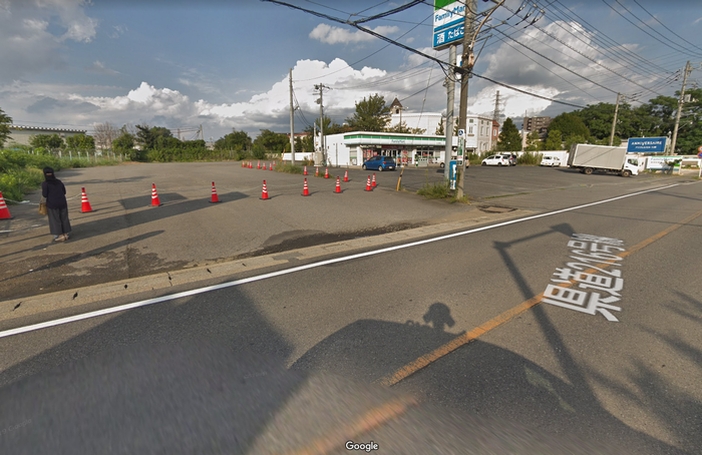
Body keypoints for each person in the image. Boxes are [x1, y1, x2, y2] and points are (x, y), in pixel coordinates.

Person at [41, 167, 72, 242]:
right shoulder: (59, 182)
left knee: (55, 219)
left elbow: (45, 194)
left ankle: (59, 235)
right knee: (64, 218)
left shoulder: (45, 184)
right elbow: (64, 192)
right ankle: (66, 234)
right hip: (62, 202)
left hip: (52, 204)